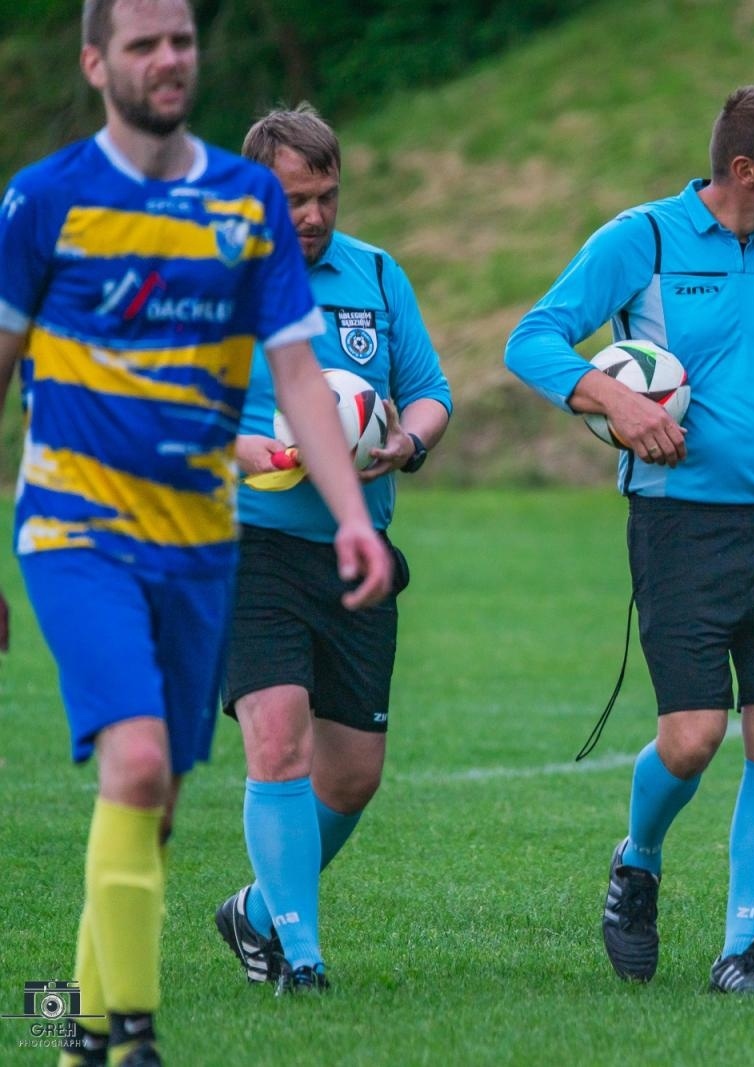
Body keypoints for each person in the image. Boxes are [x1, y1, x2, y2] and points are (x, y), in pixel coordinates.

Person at [0, 2, 391, 1064]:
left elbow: (302, 374)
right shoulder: (42, 203)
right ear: (96, 63)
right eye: (142, 43)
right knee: (132, 763)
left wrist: (353, 516)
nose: (168, 58)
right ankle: (129, 1037)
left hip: (198, 541)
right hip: (79, 531)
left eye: (180, 39)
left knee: (155, 798)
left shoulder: (245, 199)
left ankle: (71, 1016)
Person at [505, 85, 754, 994]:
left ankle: (741, 949)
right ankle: (637, 860)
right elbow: (533, 339)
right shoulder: (645, 238)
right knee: (690, 738)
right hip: (678, 528)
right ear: (746, 170)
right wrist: (618, 401)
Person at [211, 105, 452, 997]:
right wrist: (269, 452)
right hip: (254, 544)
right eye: (292, 199)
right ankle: (300, 961)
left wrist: (407, 443)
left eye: (326, 196)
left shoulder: (379, 277)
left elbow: (428, 392)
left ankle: (258, 909)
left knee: (351, 776)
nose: (311, 216)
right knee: (276, 742)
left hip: (359, 555)